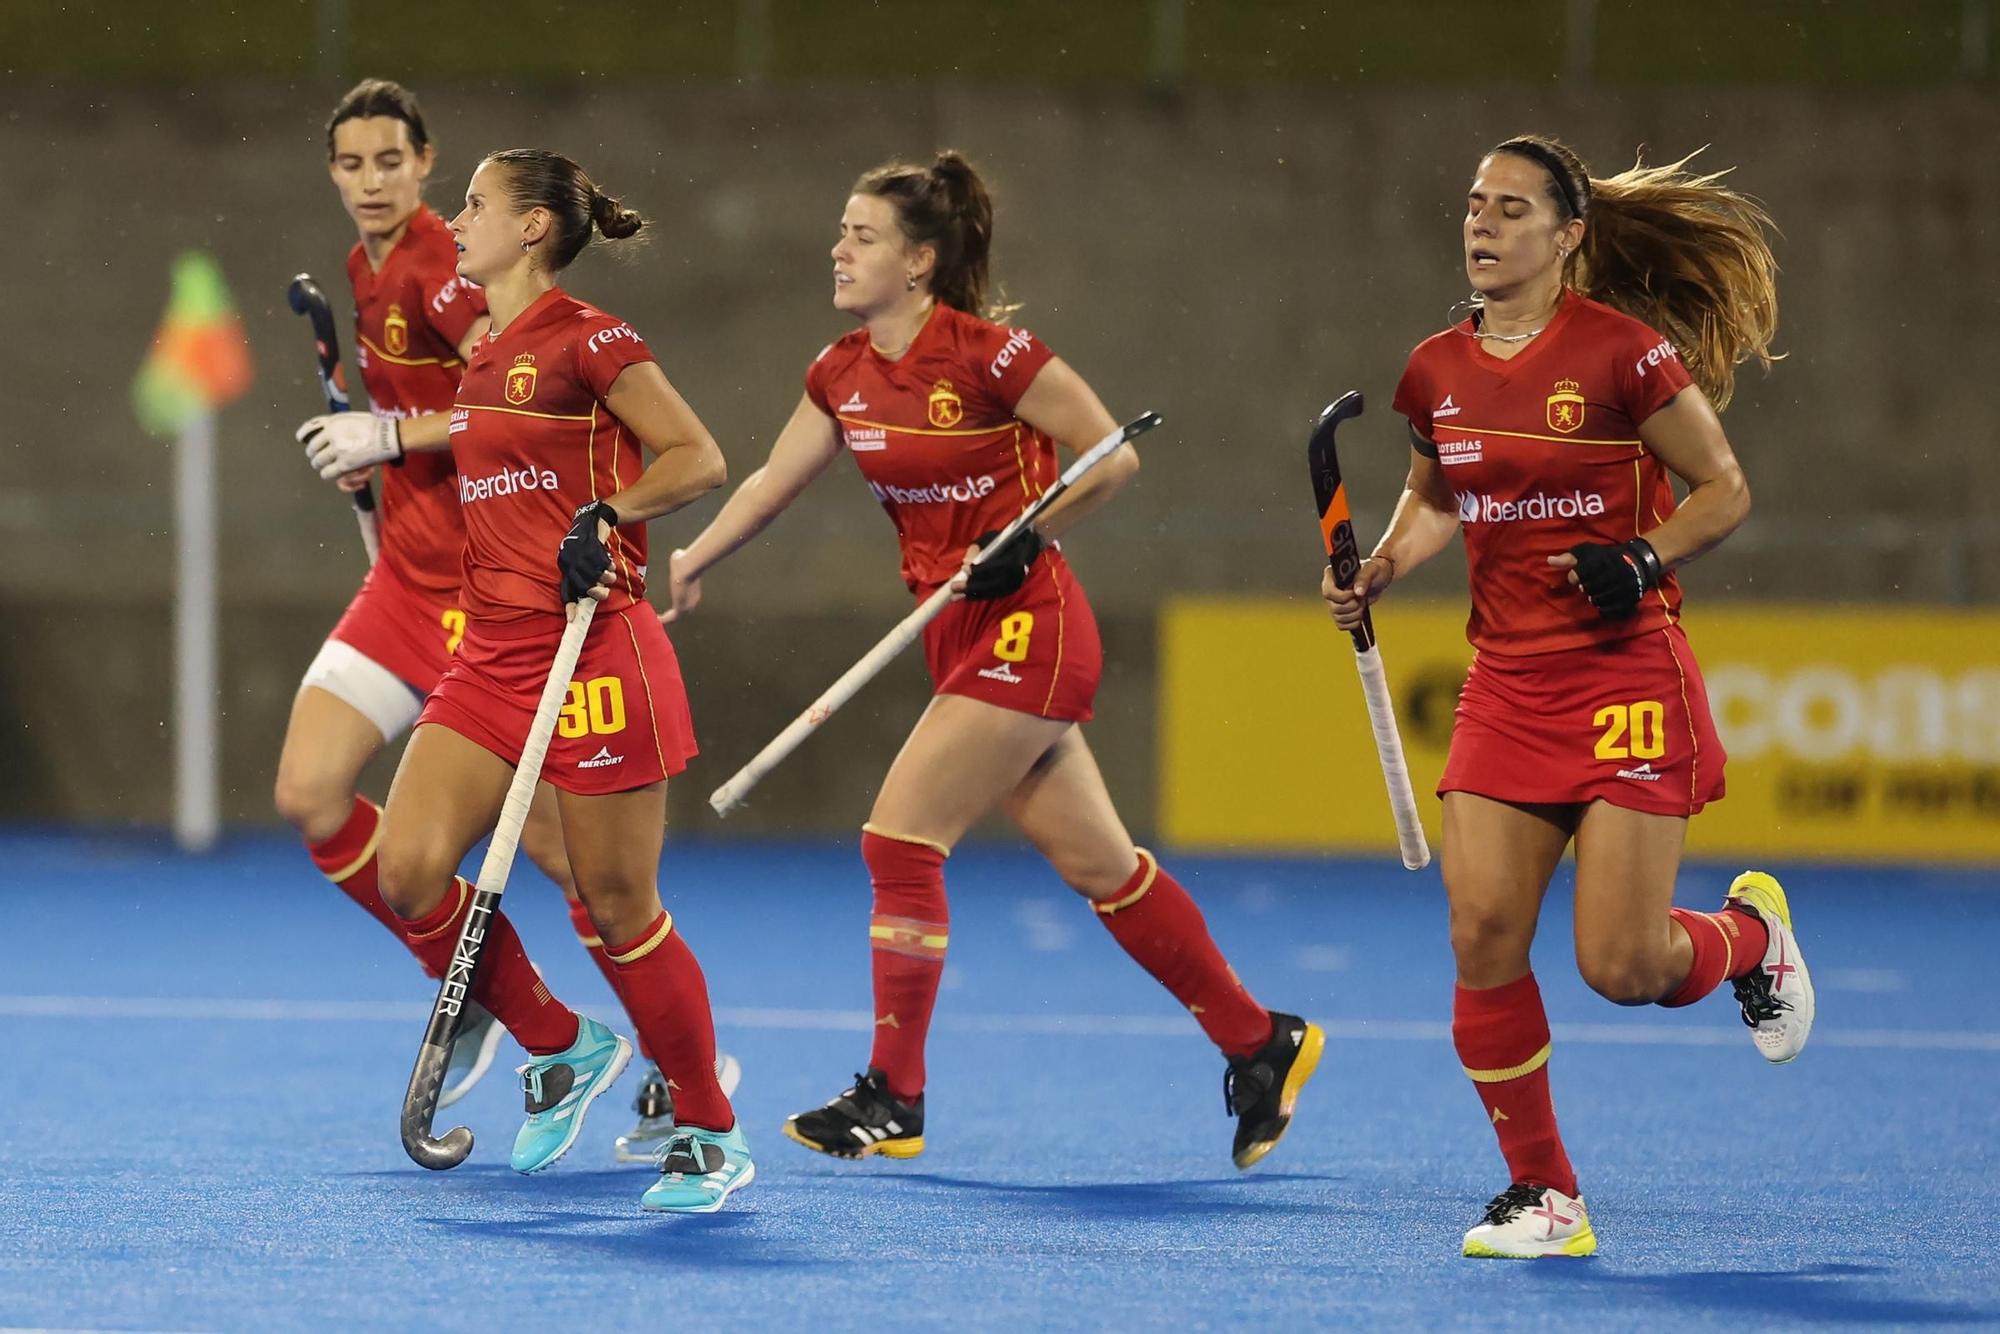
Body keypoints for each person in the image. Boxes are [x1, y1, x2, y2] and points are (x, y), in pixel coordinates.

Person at [665, 151, 1323, 1170]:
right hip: (954, 632)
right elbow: (770, 480)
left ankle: (895, 1093)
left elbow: (1111, 454)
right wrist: (696, 555)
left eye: (862, 236)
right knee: (1101, 868)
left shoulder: (992, 356)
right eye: (841, 232)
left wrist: (1028, 532)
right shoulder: (839, 370)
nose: (838, 249)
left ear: (919, 261)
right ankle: (1259, 1040)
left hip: (1030, 623)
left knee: (898, 839)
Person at [1322, 135, 1812, 1258]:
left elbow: (1723, 487)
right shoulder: (1435, 368)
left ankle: (1748, 938)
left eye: (1510, 208)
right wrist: (1382, 564)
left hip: (1624, 676)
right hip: (1506, 683)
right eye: (1473, 205)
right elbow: (1435, 497)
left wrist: (1643, 556)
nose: (1481, 224)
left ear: (1566, 234)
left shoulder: (1623, 355)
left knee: (1623, 967)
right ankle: (1543, 1192)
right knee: (1481, 931)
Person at [285, 80, 736, 1156]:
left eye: (398, 165)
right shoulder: (460, 330)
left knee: (599, 884)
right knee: (381, 844)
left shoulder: (527, 319)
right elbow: (478, 437)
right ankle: (546, 1031)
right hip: (467, 623)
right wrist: (382, 459)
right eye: (349, 162)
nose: (387, 190)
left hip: (560, 628)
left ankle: (690, 1082)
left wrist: (604, 516)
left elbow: (693, 456)